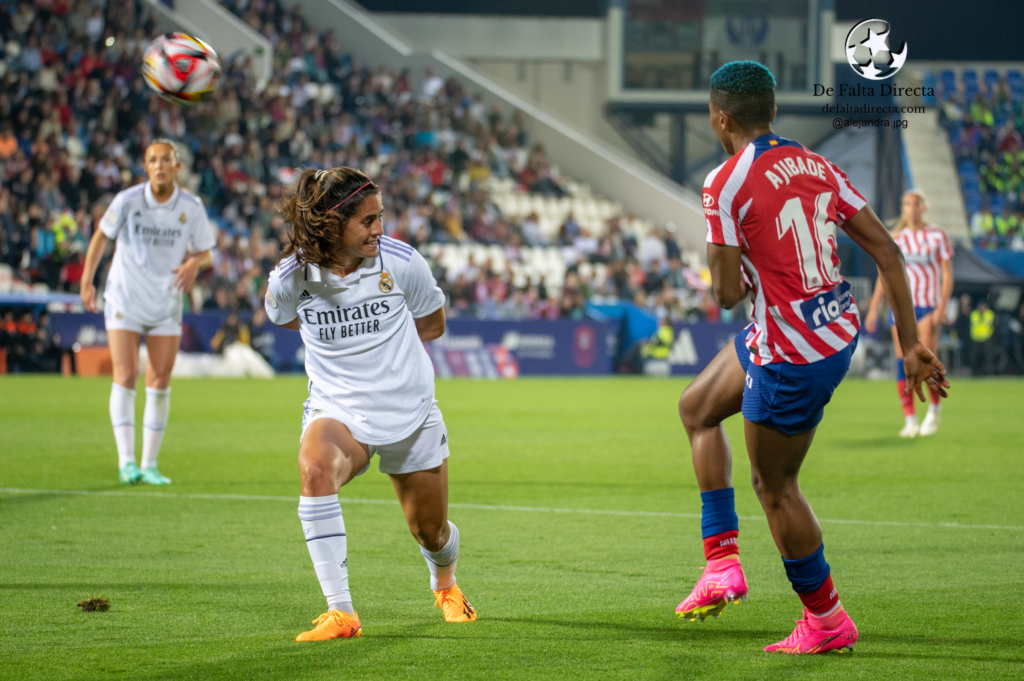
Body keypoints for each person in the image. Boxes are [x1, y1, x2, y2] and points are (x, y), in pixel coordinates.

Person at [675, 62, 948, 655]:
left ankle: (826, 620)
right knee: (697, 409)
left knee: (775, 487)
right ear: (772, 112)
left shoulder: (724, 182)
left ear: (720, 118)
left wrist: (726, 254)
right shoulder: (816, 164)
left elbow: (726, 294)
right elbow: (888, 250)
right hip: (829, 327)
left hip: (790, 352)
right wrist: (909, 344)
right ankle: (721, 564)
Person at [265, 167, 475, 643]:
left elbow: (433, 324)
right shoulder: (291, 277)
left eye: (380, 217)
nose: (379, 228)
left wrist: (384, 346)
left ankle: (445, 585)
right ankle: (341, 612)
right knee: (315, 470)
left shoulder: (402, 262)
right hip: (339, 408)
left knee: (431, 532)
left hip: (410, 411)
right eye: (367, 220)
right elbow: (282, 317)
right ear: (331, 223)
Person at [80, 140, 215, 485]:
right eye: (152, 160)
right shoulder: (127, 201)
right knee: (125, 375)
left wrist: (193, 263)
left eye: (165, 160)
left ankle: (150, 464)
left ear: (177, 167)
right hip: (125, 297)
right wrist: (87, 280)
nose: (158, 165)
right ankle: (127, 461)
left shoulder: (191, 207)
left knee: (159, 381)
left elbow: (207, 253)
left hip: (166, 301)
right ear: (145, 167)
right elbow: (101, 236)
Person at [865, 190, 954, 437]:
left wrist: (942, 306)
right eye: (907, 204)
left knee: (926, 360)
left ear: (924, 208)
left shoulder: (937, 235)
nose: (912, 209)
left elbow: (947, 274)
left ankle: (934, 409)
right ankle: (910, 419)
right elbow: (885, 275)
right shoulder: (897, 238)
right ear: (902, 208)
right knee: (902, 362)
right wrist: (873, 308)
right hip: (901, 308)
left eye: (916, 204)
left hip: (927, 306)